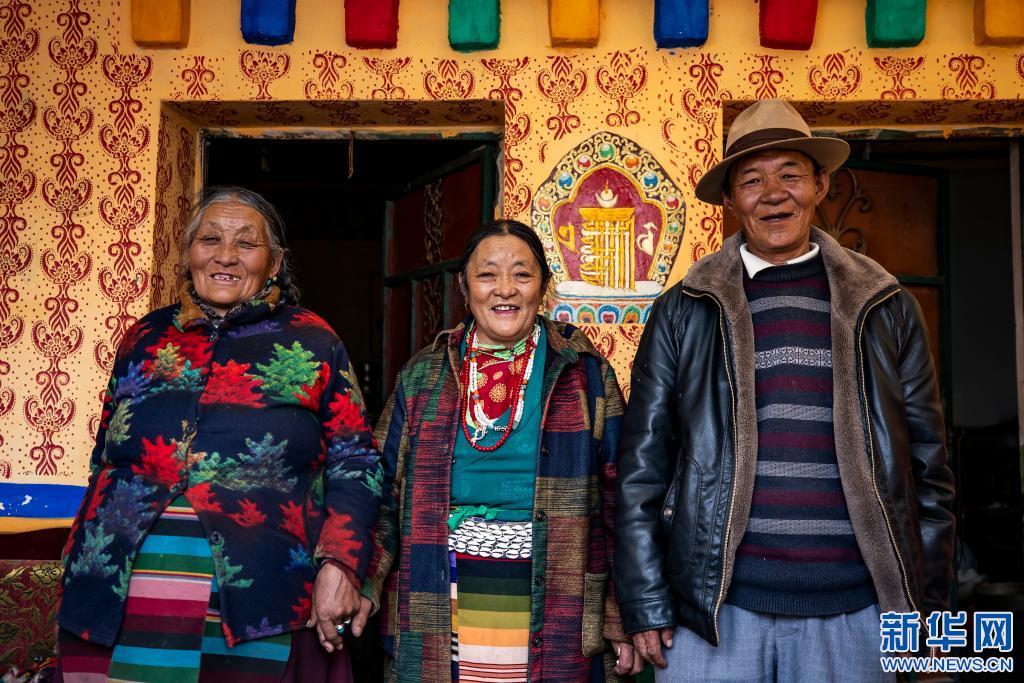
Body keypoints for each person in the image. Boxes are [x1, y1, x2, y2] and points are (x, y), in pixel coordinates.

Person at [614, 99, 955, 681]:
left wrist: (932, 622)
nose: (773, 195)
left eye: (790, 175)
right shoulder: (685, 309)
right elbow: (642, 466)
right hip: (713, 613)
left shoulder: (885, 305)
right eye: (752, 181)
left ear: (821, 185)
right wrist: (645, 600)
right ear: (730, 200)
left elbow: (928, 469)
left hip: (860, 612)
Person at [57, 186, 382, 682]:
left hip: (265, 589)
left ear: (274, 263)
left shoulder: (315, 340)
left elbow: (356, 460)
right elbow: (105, 453)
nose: (225, 256)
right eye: (210, 239)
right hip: (115, 586)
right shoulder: (144, 337)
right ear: (189, 253)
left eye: (246, 243)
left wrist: (341, 563)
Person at [350, 220, 639, 682]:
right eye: (487, 275)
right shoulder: (423, 375)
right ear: (465, 288)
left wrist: (623, 613)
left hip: (560, 604)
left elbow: (621, 501)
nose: (505, 289)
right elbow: (382, 492)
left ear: (543, 286)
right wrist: (364, 581)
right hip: (435, 599)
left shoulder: (584, 374)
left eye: (522, 274)